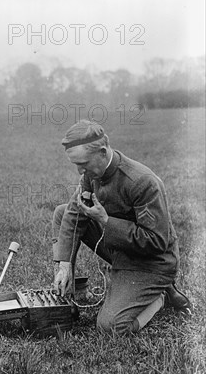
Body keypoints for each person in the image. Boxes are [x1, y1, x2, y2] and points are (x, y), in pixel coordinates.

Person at [52, 120, 191, 334]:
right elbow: (72, 213)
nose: (80, 171)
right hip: (122, 251)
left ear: (102, 151)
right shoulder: (91, 174)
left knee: (111, 327)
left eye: (84, 163)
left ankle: (161, 296)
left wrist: (106, 221)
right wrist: (64, 264)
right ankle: (70, 294)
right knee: (63, 213)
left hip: (151, 263)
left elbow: (156, 242)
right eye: (76, 165)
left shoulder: (142, 181)